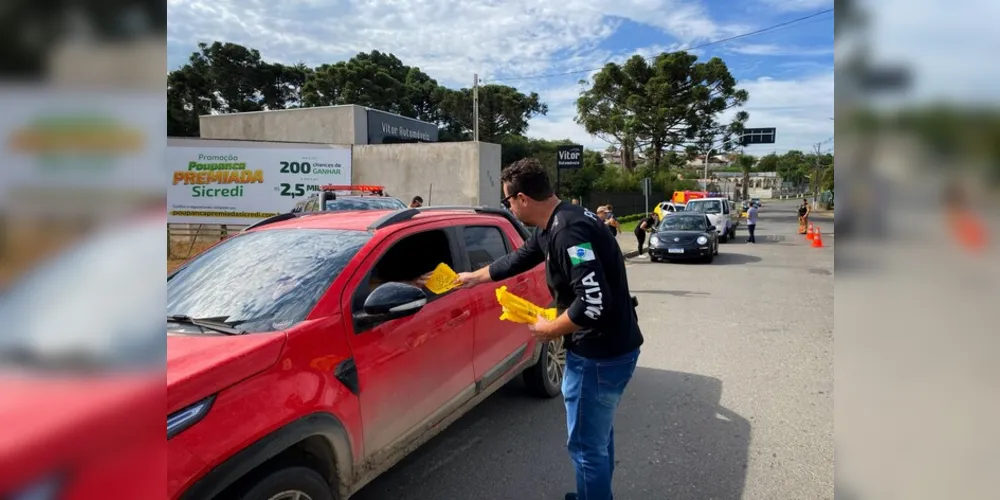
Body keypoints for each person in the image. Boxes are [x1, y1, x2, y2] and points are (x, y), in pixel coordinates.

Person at [453, 158, 643, 500]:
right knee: (596, 439)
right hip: (612, 348)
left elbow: (593, 302)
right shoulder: (556, 222)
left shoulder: (568, 232)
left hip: (599, 355)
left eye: (508, 201)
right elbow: (519, 258)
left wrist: (549, 329)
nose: (508, 207)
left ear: (523, 198)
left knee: (586, 447)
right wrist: (472, 278)